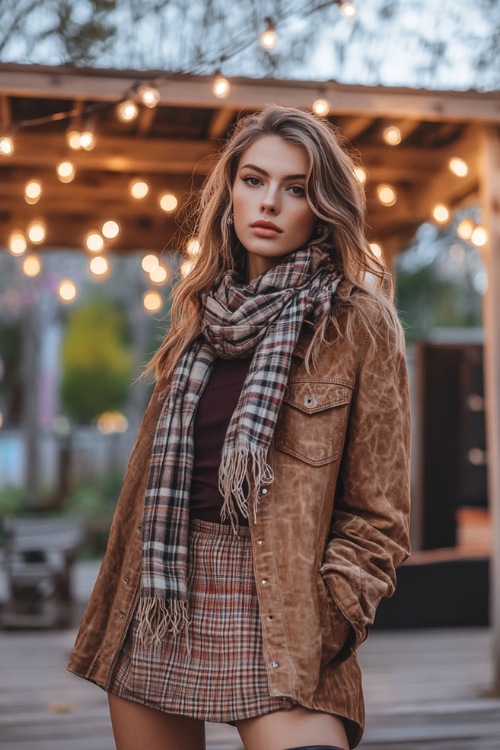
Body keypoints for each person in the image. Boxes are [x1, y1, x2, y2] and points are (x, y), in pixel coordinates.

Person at [68, 105, 411, 750]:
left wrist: (328, 619)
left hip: (283, 607)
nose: (270, 203)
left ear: (323, 204)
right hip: (162, 597)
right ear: (229, 192)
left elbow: (380, 516)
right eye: (254, 180)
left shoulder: (358, 323)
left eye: (297, 188)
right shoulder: (198, 316)